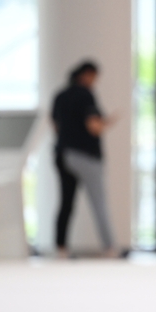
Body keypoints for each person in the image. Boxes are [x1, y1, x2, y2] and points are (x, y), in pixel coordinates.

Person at [51, 60, 118, 258]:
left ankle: (61, 248)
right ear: (88, 74)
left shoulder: (60, 95)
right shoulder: (85, 95)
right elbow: (94, 126)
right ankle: (110, 248)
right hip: (85, 155)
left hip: (63, 155)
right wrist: (107, 122)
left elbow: (54, 125)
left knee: (65, 203)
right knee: (99, 202)